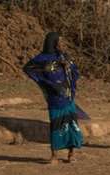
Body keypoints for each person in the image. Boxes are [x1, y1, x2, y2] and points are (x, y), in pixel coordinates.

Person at [23, 32, 83, 164]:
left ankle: (71, 154)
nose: (61, 44)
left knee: (71, 125)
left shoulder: (64, 56)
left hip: (67, 96)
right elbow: (28, 68)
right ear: (52, 43)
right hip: (54, 98)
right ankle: (54, 156)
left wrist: (67, 65)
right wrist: (45, 82)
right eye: (58, 41)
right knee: (56, 126)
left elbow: (75, 71)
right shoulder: (41, 59)